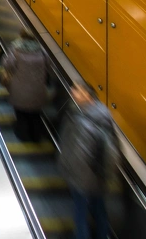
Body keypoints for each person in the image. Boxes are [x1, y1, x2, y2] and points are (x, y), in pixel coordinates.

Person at [58, 81, 119, 239]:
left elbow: (79, 153)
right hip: (98, 177)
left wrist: (71, 174)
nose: (72, 92)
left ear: (87, 95)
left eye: (77, 90)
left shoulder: (83, 120)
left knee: (80, 215)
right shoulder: (102, 116)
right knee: (99, 210)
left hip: (82, 179)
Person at [1, 30, 50, 142]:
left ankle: (23, 136)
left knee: (21, 114)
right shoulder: (42, 51)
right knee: (35, 115)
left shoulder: (16, 51)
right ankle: (36, 136)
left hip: (20, 90)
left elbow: (7, 65)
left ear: (22, 38)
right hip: (38, 90)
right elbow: (49, 67)